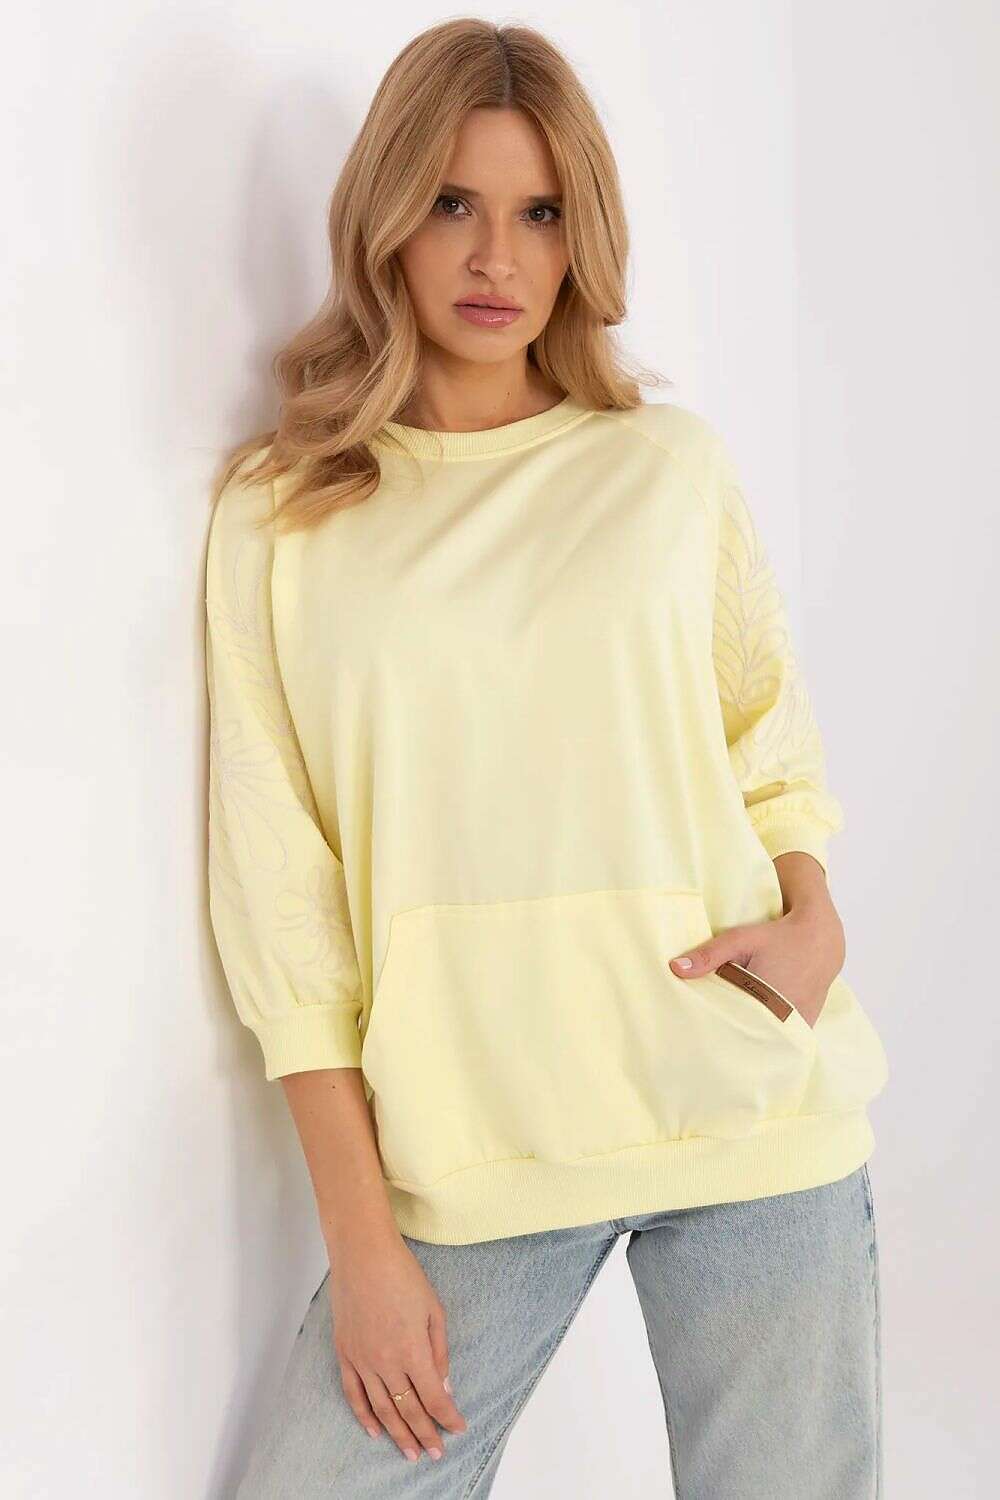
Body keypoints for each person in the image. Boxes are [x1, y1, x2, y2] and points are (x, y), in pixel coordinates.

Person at [205, 18, 889, 1498]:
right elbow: (279, 896)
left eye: (540, 213)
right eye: (453, 202)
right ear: (386, 214)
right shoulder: (289, 509)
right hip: (471, 1144)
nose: (495, 256)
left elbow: (767, 733)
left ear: (584, 239)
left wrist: (815, 915)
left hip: (742, 1101)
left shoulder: (664, 468)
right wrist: (362, 1241)